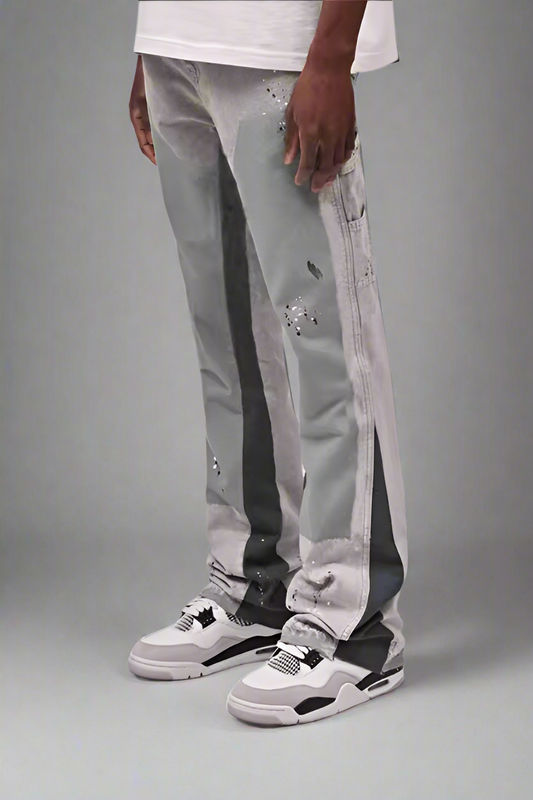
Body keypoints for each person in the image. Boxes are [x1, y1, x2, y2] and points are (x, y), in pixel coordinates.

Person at [127, 0, 408, 727]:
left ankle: (355, 622)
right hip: (178, 44)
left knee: (326, 338)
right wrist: (155, 39)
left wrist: (331, 54)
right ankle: (255, 585)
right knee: (224, 336)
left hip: (282, 45)